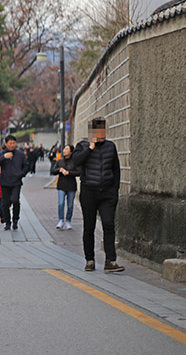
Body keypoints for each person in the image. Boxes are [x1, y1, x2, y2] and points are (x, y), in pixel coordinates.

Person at [72, 117, 125, 273]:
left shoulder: (110, 146)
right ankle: (90, 260)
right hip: (89, 192)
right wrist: (90, 148)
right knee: (89, 227)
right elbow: (76, 161)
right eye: (99, 131)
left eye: (104, 130)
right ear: (92, 132)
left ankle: (111, 261)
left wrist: (115, 189)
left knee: (109, 224)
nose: (103, 133)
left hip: (107, 192)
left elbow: (116, 168)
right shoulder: (82, 146)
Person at [0, 135, 29, 231]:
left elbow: (26, 166)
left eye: (14, 143)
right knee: (5, 204)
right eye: (10, 143)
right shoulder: (1, 154)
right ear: (6, 144)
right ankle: (7, 222)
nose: (12, 145)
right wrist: (4, 157)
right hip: (5, 182)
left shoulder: (20, 154)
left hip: (16, 182)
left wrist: (21, 174)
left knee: (15, 200)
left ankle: (15, 220)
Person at [51, 144, 80, 230]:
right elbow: (53, 171)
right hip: (61, 185)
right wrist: (59, 170)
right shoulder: (59, 161)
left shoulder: (74, 162)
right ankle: (60, 220)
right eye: (64, 149)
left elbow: (79, 172)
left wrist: (69, 173)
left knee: (70, 205)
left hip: (71, 185)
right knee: (61, 203)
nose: (64, 150)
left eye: (67, 149)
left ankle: (68, 221)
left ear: (71, 152)